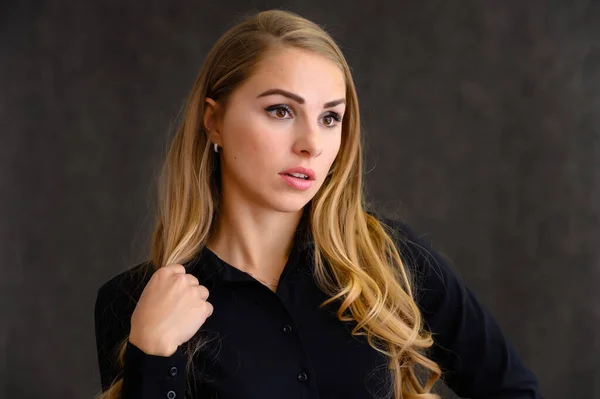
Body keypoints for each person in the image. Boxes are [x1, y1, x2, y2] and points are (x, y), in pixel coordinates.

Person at [94, 9, 543, 399]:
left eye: (330, 118)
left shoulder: (388, 260)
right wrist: (152, 354)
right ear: (214, 121)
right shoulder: (136, 303)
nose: (311, 144)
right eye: (281, 111)